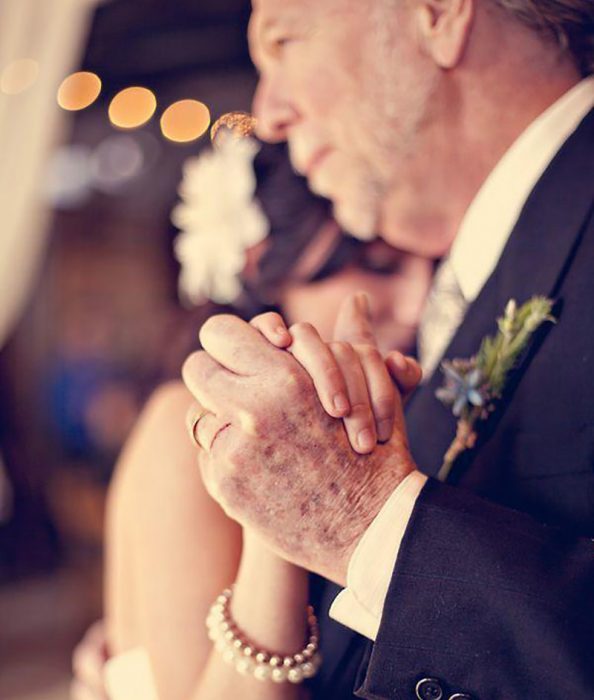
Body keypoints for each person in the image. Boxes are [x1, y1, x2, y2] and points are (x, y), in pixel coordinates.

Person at [180, 0, 594, 698]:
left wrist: (365, 522)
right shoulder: (476, 280)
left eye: (285, 39)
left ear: (437, 12)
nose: (268, 113)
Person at [71, 137, 432, 700]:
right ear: (263, 265)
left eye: (431, 266)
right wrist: (277, 522)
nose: (418, 302)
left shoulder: (395, 413)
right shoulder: (180, 430)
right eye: (379, 267)